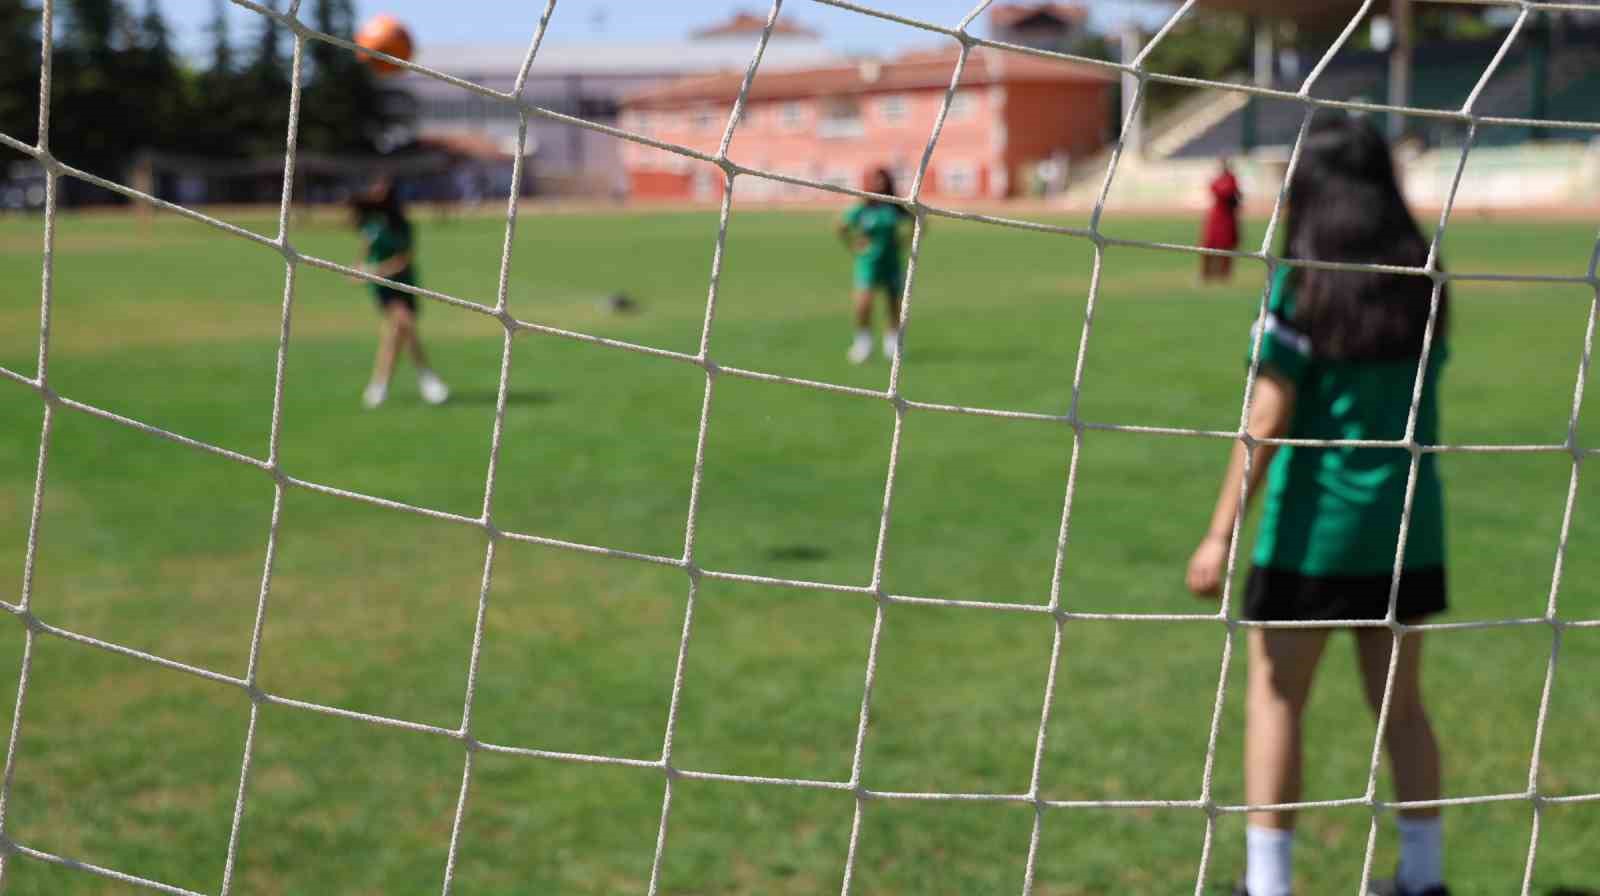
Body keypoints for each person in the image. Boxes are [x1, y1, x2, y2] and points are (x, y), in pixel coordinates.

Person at [1185, 113, 1451, 896]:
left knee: (1276, 701)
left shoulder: (1301, 282)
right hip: (1407, 529)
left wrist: (1217, 533)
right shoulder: (1426, 276)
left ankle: (1267, 887)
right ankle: (1424, 880)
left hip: (1313, 535)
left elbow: (1267, 418)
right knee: (1402, 710)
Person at [352, 176, 449, 408]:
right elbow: (363, 253)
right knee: (403, 323)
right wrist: (357, 270)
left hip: (403, 283)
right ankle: (427, 379)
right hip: (382, 288)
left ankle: (380, 384)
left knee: (395, 333)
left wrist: (376, 270)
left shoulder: (402, 224)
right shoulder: (371, 224)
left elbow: (404, 259)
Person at [837, 167, 913, 364]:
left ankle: (891, 345)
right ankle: (863, 343)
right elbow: (841, 226)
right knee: (863, 304)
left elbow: (918, 222)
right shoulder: (864, 207)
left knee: (893, 305)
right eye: (875, 180)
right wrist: (854, 244)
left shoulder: (894, 206)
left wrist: (905, 241)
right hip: (868, 263)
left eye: (882, 180)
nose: (879, 184)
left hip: (891, 262)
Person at [1201, 157, 1243, 282]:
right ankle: (1207, 273)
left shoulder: (1231, 179)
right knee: (1208, 245)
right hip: (1217, 218)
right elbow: (1217, 190)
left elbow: (1230, 192)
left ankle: (1224, 274)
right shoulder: (1219, 180)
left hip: (1228, 218)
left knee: (1226, 247)